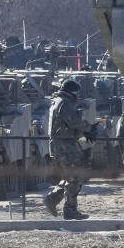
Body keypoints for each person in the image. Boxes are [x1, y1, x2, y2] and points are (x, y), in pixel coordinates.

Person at [43, 79, 93, 220]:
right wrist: (88, 127)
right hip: (65, 146)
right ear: (73, 91)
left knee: (70, 177)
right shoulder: (65, 103)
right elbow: (73, 122)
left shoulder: (59, 101)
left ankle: (53, 199)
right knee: (75, 177)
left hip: (62, 145)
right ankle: (69, 209)